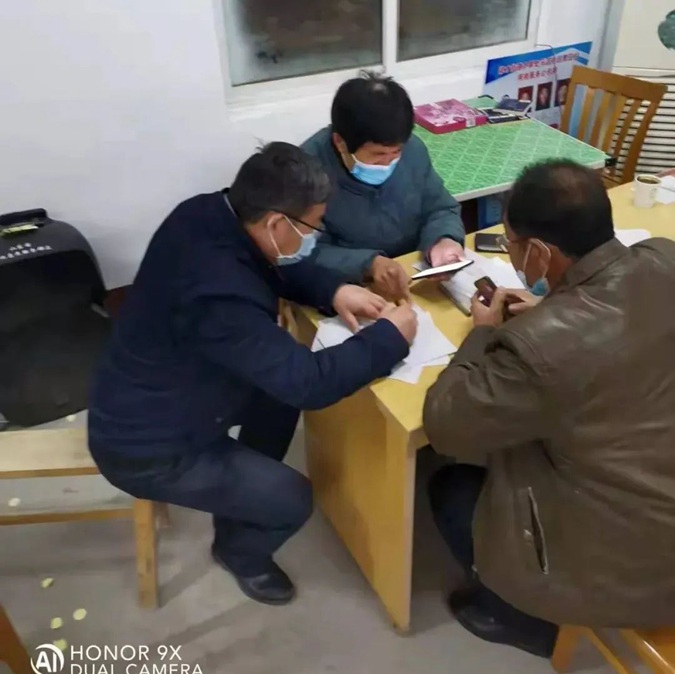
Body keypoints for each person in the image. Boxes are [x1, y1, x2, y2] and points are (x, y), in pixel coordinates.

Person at [88, 142, 418, 606]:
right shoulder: (219, 295)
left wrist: (335, 289)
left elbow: (267, 265)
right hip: (149, 447)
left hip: (177, 385)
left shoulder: (206, 214)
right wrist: (389, 337)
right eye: (314, 225)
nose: (317, 234)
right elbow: (310, 383)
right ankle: (237, 551)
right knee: (292, 499)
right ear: (277, 223)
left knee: (277, 395)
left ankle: (242, 492)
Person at [423, 159, 675, 657]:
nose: (513, 254)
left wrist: (483, 335)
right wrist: (555, 308)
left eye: (512, 244)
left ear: (538, 252)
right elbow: (617, 322)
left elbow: (445, 424)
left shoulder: (538, 349)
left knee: (451, 486)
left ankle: (521, 619)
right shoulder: (662, 258)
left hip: (639, 569)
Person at [302, 71, 465, 303]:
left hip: (413, 278)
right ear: (340, 143)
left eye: (396, 152)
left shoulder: (413, 151)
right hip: (348, 290)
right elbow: (301, 253)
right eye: (377, 155)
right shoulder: (305, 174)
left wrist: (443, 240)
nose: (388, 163)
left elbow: (440, 207)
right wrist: (368, 264)